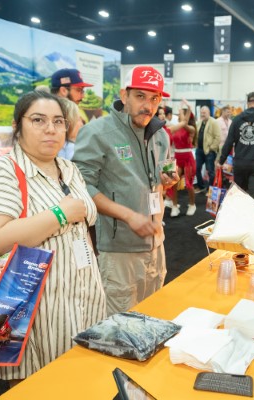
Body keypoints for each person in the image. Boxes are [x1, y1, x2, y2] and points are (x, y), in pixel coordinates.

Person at [0, 90, 107, 385]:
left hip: (84, 296)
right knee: (41, 386)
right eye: (38, 120)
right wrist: (60, 214)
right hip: (34, 311)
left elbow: (83, 224)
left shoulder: (68, 168)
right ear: (17, 126)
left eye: (58, 121)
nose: (50, 129)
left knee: (82, 381)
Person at [72, 66, 178, 315]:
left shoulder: (160, 135)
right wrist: (128, 215)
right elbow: (81, 186)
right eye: (140, 96)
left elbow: (165, 172)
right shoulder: (97, 132)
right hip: (118, 249)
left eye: (154, 99)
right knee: (120, 323)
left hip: (156, 244)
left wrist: (170, 179)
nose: (148, 106)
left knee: (153, 315)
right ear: (124, 95)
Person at [216, 91, 254, 200]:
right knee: (253, 197)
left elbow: (229, 142)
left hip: (240, 163)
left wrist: (221, 161)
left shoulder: (237, 120)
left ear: (247, 103)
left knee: (240, 195)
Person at [169, 106, 197, 216]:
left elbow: (184, 124)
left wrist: (185, 110)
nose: (179, 115)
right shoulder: (175, 127)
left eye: (182, 113)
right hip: (176, 157)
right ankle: (174, 206)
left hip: (187, 158)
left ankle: (192, 204)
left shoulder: (191, 128)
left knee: (189, 184)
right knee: (173, 183)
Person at [195, 106, 221, 193]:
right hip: (199, 150)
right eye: (201, 113)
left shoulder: (214, 122)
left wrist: (211, 148)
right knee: (197, 168)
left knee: (210, 171)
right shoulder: (199, 122)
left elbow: (218, 137)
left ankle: (210, 190)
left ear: (209, 113)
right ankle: (201, 186)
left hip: (209, 151)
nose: (202, 114)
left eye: (204, 113)